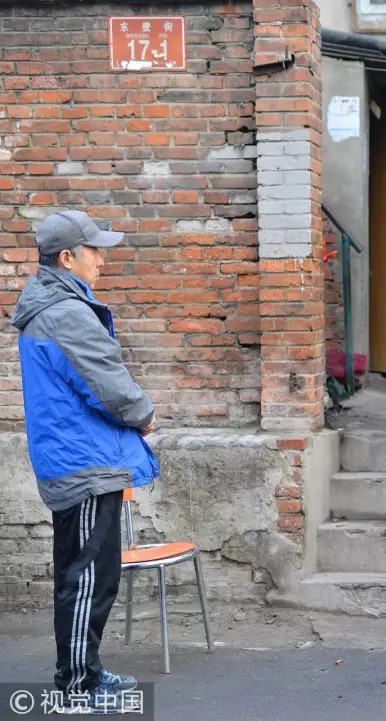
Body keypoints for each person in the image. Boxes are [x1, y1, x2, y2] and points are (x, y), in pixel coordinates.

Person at [12, 210, 159, 708]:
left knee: (91, 574)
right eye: (96, 250)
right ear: (67, 257)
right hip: (85, 460)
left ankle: (85, 672)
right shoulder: (64, 311)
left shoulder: (55, 305)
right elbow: (106, 379)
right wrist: (143, 414)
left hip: (80, 456)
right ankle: (78, 684)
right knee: (87, 578)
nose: (103, 259)